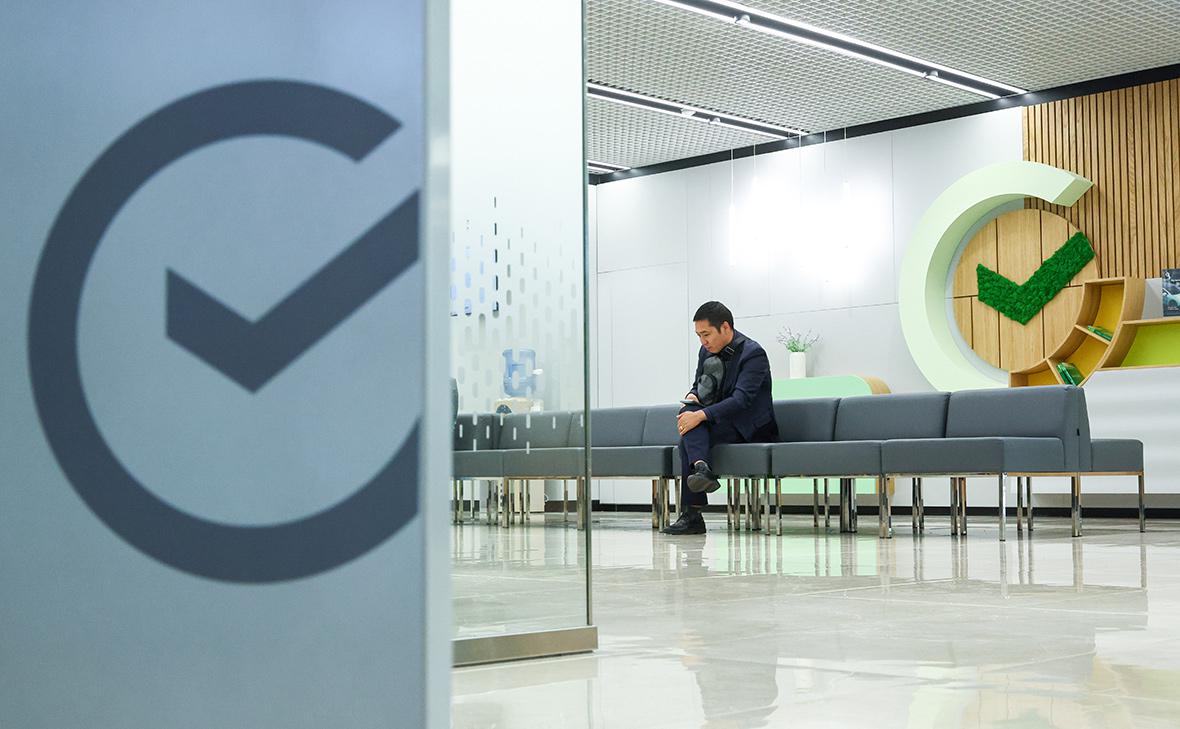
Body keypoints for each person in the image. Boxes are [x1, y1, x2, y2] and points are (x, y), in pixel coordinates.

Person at [662, 301, 778, 535]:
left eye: (706, 334)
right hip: (720, 421)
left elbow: (741, 400)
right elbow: (699, 385)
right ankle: (702, 469)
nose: (703, 341)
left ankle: (693, 513)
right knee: (688, 417)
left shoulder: (753, 353)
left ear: (725, 327)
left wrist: (701, 415)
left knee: (688, 437)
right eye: (698, 335)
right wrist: (693, 396)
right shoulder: (705, 352)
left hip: (750, 426)